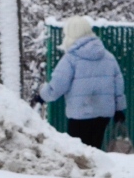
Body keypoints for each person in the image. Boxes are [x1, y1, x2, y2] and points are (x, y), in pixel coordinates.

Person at [34, 16, 127, 149]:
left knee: (78, 152)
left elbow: (58, 85)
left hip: (80, 113)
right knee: (94, 149)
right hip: (103, 113)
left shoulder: (71, 58)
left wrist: (42, 96)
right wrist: (119, 109)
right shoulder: (108, 57)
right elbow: (118, 85)